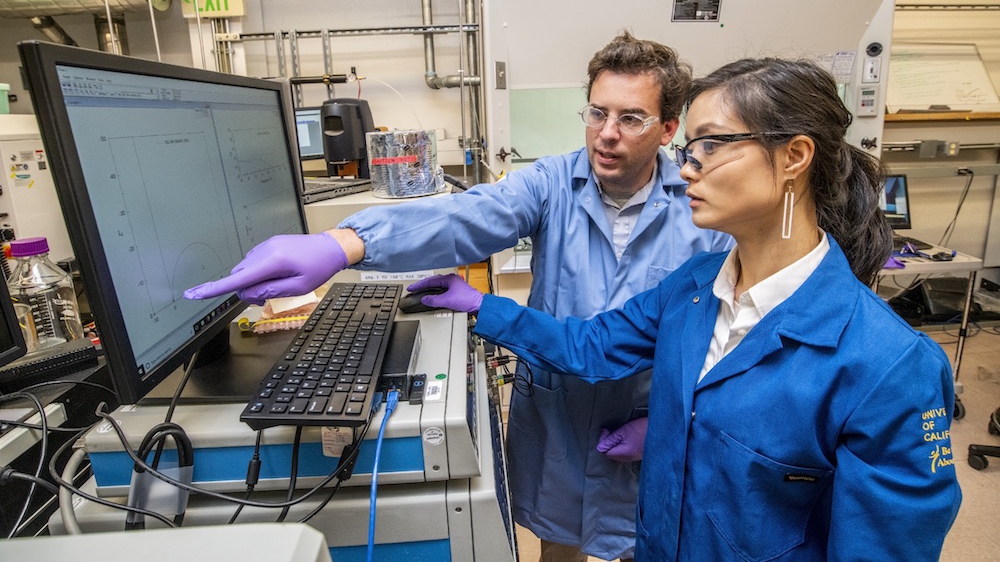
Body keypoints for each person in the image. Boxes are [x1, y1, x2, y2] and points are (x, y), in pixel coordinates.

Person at [185, 32, 734, 561]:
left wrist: (672, 419)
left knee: (649, 543)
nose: (606, 133)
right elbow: (467, 217)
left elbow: (730, 336)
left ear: (667, 129)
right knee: (557, 544)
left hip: (650, 412)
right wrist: (345, 243)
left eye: (630, 118)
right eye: (596, 112)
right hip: (558, 411)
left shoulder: (703, 206)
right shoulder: (552, 182)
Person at [409, 58, 963, 561]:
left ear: (794, 156)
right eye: (689, 150)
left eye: (712, 146)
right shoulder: (694, 289)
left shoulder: (890, 366)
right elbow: (592, 346)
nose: (688, 169)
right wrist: (484, 307)